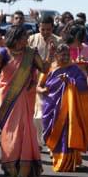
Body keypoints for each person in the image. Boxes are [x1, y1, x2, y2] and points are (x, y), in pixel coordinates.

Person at [0, 24, 51, 177]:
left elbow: (43, 68)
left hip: (25, 95)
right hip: (7, 95)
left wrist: (51, 54)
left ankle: (25, 166)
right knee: (9, 129)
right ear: (14, 38)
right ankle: (11, 163)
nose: (26, 39)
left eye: (26, 37)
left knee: (24, 128)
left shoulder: (31, 53)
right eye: (23, 37)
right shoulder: (3, 53)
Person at [39, 44, 88, 172]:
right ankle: (56, 157)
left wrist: (70, 81)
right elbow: (38, 86)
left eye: (67, 54)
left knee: (67, 133)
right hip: (51, 106)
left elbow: (84, 85)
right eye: (62, 54)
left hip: (69, 108)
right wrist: (43, 89)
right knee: (50, 131)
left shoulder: (75, 69)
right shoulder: (50, 69)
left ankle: (67, 161)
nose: (65, 57)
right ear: (56, 55)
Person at [28, 16, 61, 147]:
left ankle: (49, 139)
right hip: (34, 79)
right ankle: (37, 141)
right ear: (38, 27)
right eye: (43, 29)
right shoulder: (32, 39)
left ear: (53, 28)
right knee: (36, 114)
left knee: (51, 111)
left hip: (53, 81)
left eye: (48, 29)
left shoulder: (59, 41)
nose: (45, 32)